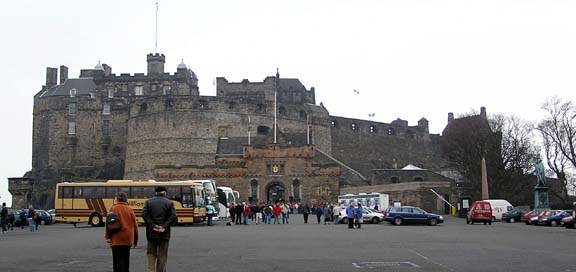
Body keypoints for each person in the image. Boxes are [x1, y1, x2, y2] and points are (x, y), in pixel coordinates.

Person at [142, 186, 177, 272]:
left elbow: (144, 214)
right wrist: (164, 226)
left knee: (151, 254)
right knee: (162, 255)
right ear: (164, 193)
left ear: (156, 193)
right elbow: (173, 216)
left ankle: (150, 270)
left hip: (151, 233)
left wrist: (153, 225)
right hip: (164, 234)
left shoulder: (148, 202)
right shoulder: (169, 203)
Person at [105, 192, 139, 272]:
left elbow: (108, 224)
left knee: (116, 261)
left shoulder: (113, 208)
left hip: (116, 238)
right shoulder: (129, 209)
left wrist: (107, 237)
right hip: (127, 238)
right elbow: (135, 225)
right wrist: (135, 240)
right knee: (126, 260)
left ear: (117, 199)